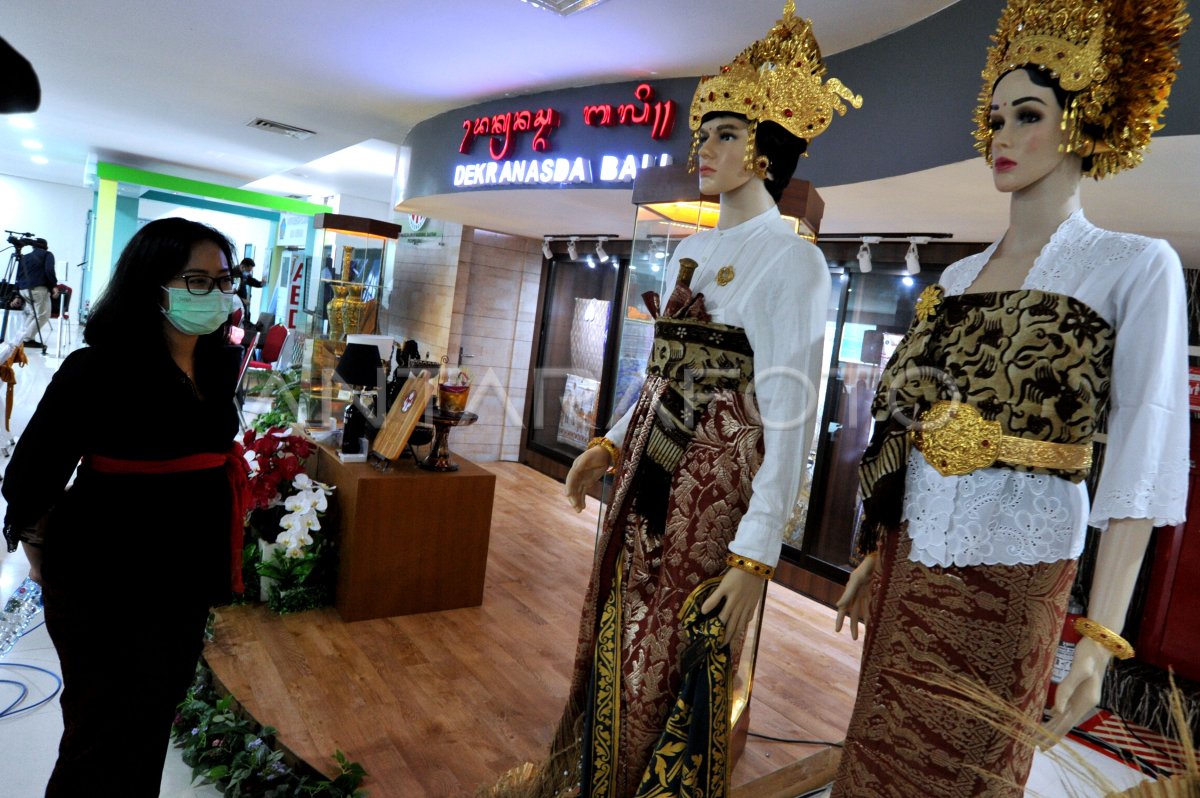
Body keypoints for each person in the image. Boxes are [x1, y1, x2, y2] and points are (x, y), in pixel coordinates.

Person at [489, 5, 857, 797]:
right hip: (648, 470)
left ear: (766, 147)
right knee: (616, 633)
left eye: (726, 132)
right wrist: (609, 444)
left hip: (712, 490)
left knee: (669, 654)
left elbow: (791, 412)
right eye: (706, 131)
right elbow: (661, 375)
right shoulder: (695, 248)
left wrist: (760, 554)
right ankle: (587, 776)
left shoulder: (794, 262)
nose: (706, 147)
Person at [832, 1, 1190, 795]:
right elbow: (903, 422)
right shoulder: (955, 280)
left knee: (969, 773)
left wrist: (1098, 638)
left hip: (1012, 578)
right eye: (994, 116)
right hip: (906, 564)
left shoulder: (1134, 265)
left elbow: (1142, 450)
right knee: (876, 757)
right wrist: (870, 549)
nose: (1001, 134)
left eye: (1028, 114)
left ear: (1083, 119)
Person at [2, 217, 249, 797]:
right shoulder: (98, 368)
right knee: (99, 737)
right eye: (196, 280)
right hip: (106, 585)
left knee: (148, 727)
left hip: (180, 584)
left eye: (223, 280)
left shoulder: (215, 365)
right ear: (152, 284)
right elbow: (31, 475)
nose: (214, 293)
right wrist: (41, 555)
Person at [16, 237, 57, 349]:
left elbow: (18, 275)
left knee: (33, 314)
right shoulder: (47, 254)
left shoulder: (25, 257)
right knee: (43, 315)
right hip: (37, 289)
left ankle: (20, 338)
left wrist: (17, 295)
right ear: (46, 246)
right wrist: (54, 286)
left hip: (24, 290)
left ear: (33, 246)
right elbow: (49, 270)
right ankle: (27, 339)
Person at [235, 256, 263, 328]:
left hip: (242, 303)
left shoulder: (243, 275)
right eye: (248, 271)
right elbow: (232, 292)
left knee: (246, 318)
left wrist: (260, 284)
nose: (249, 273)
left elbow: (250, 280)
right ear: (243, 266)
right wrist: (242, 299)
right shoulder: (234, 274)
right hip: (236, 305)